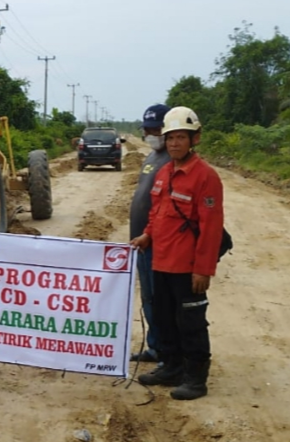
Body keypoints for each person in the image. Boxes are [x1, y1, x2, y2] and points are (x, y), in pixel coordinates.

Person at [131, 106, 224, 400]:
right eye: (170, 138)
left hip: (187, 266)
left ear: (194, 139)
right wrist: (147, 234)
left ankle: (195, 378)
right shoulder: (164, 172)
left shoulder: (205, 177)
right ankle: (170, 367)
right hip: (161, 260)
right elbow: (158, 212)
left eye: (180, 137)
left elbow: (211, 227)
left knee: (192, 323)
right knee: (165, 317)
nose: (173, 143)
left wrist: (203, 269)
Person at [129, 104, 171, 363]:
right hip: (142, 242)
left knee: (163, 299)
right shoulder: (151, 157)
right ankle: (156, 347)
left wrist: (151, 233)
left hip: (161, 244)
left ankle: (170, 352)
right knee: (149, 298)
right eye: (148, 130)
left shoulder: (173, 159)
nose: (151, 134)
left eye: (156, 129)